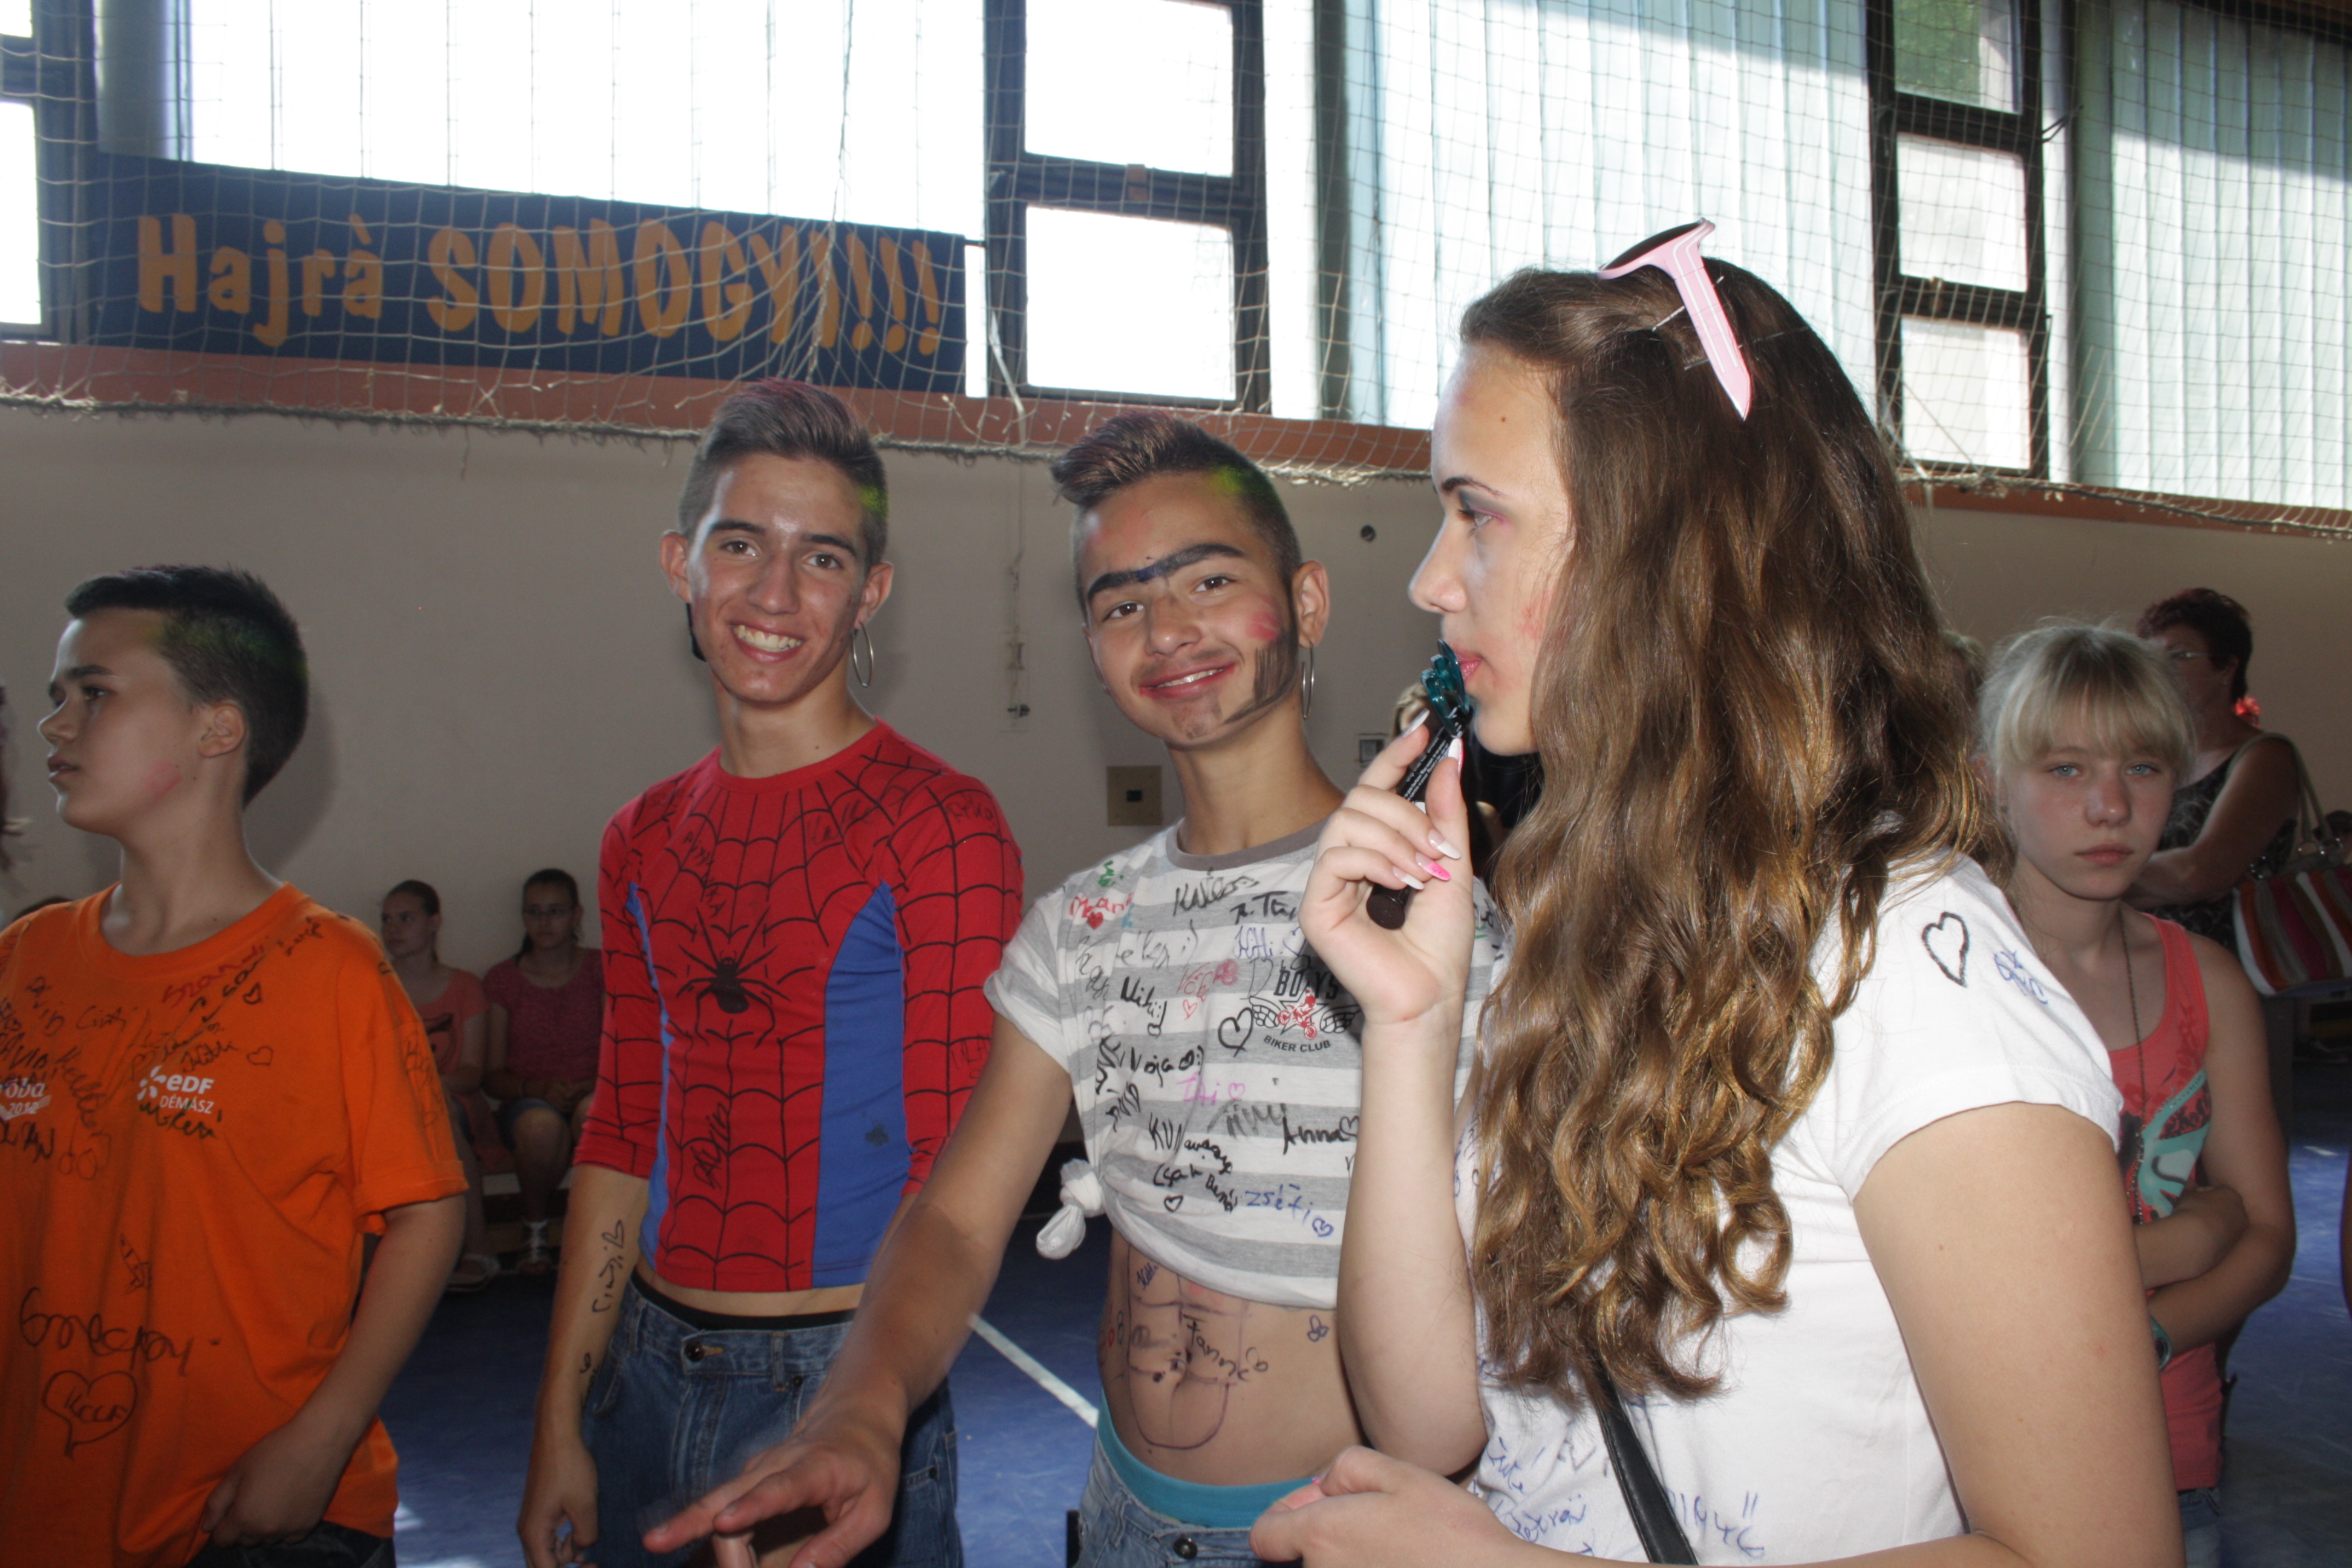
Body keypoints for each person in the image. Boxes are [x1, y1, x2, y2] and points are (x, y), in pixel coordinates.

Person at [1258, 239, 2179, 1566]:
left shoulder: (1917, 984)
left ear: (1658, 557)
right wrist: (1412, 1021)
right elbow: (1426, 1421)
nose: (1430, 579)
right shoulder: (1578, 927)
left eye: (1477, 512)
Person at [641, 411, 1503, 1568]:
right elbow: (956, 1215)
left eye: (1207, 579)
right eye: (1120, 603)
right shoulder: (1079, 927)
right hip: (1120, 1518)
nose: (1167, 628)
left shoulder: (1423, 917)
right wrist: (862, 1404)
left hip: (1344, 1531)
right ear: (1093, 647)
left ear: (1304, 602)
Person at [517, 380, 1023, 1568]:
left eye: (822, 558)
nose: (776, 594)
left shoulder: (942, 826)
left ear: (871, 593)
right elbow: (621, 1134)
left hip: (842, 1386)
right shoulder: (639, 835)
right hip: (638, 1374)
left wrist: (862, 1406)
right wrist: (559, 1417)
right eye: (741, 544)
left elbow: (957, 1180)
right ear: (680, 564)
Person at [2, 566, 465, 1567]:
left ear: (217, 730)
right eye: (55, 696)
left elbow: (427, 1213)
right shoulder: (25, 961)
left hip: (250, 1511)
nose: (55, 725)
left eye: (94, 693)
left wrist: (324, 1436)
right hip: (46, 1499)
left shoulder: (328, 968)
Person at [1978, 621, 2293, 1566]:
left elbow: (2268, 1235)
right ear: (1993, 782)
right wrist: (2181, 1243)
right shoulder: (1952, 976)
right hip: (1981, 1459)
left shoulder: (2209, 985)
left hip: (2168, 1454)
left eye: (2145, 769)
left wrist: (2144, 1335)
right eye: (2066, 769)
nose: (2111, 806)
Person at [2129, 589, 2303, 1132]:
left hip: (2234, 985)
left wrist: (2098, 872)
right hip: (2150, 974)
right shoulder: (2153, 758)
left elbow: (2201, 873)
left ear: (2228, 667)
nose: (2162, 671)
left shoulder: (2264, 757)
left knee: (2239, 1140)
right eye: (2153, 658)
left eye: (2179, 656)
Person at [382, 878, 501, 1291]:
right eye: (387, 920)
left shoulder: (464, 986)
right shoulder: (374, 984)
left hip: (454, 1102)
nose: (393, 929)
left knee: (440, 1113)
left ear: (434, 923)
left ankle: (478, 1246)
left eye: (406, 919)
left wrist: (422, 1088)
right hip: (389, 1106)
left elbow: (471, 1073)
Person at [483, 868, 603, 1275]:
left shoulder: (602, 969)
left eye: (555, 911)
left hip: (595, 1088)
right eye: (534, 912)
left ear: (576, 915)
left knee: (594, 1117)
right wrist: (538, 1088)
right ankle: (534, 1228)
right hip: (529, 1099)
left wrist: (588, 1085)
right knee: (541, 1129)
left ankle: (594, 1233)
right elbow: (492, 1075)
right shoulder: (504, 979)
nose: (544, 922)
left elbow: (626, 1049)